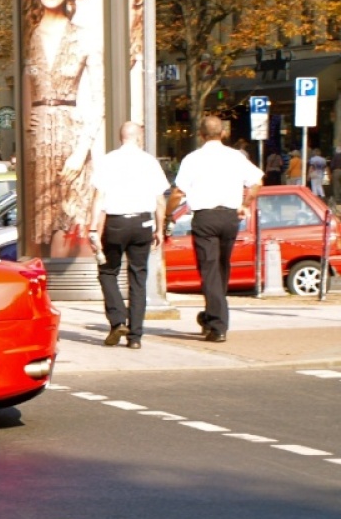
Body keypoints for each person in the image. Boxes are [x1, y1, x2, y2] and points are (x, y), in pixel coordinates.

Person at [22, 0, 104, 258]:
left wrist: (83, 148)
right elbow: (20, 85)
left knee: (65, 217)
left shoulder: (84, 37)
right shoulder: (28, 37)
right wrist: (22, 122)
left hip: (71, 138)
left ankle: (58, 286)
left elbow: (100, 97)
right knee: (37, 222)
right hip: (38, 141)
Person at [172, 115, 263, 343]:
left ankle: (217, 323)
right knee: (222, 267)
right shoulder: (235, 157)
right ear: (223, 133)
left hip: (205, 217)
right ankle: (212, 315)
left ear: (200, 135)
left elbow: (177, 193)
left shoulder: (193, 159)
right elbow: (257, 182)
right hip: (229, 216)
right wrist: (245, 204)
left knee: (210, 269)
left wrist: (166, 213)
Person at [88, 122, 169, 350]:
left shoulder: (108, 161)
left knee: (108, 271)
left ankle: (117, 320)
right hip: (142, 222)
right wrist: (160, 229)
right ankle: (135, 337)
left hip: (116, 223)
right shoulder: (149, 162)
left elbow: (98, 198)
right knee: (138, 277)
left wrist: (93, 228)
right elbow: (160, 200)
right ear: (138, 137)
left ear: (120, 137)